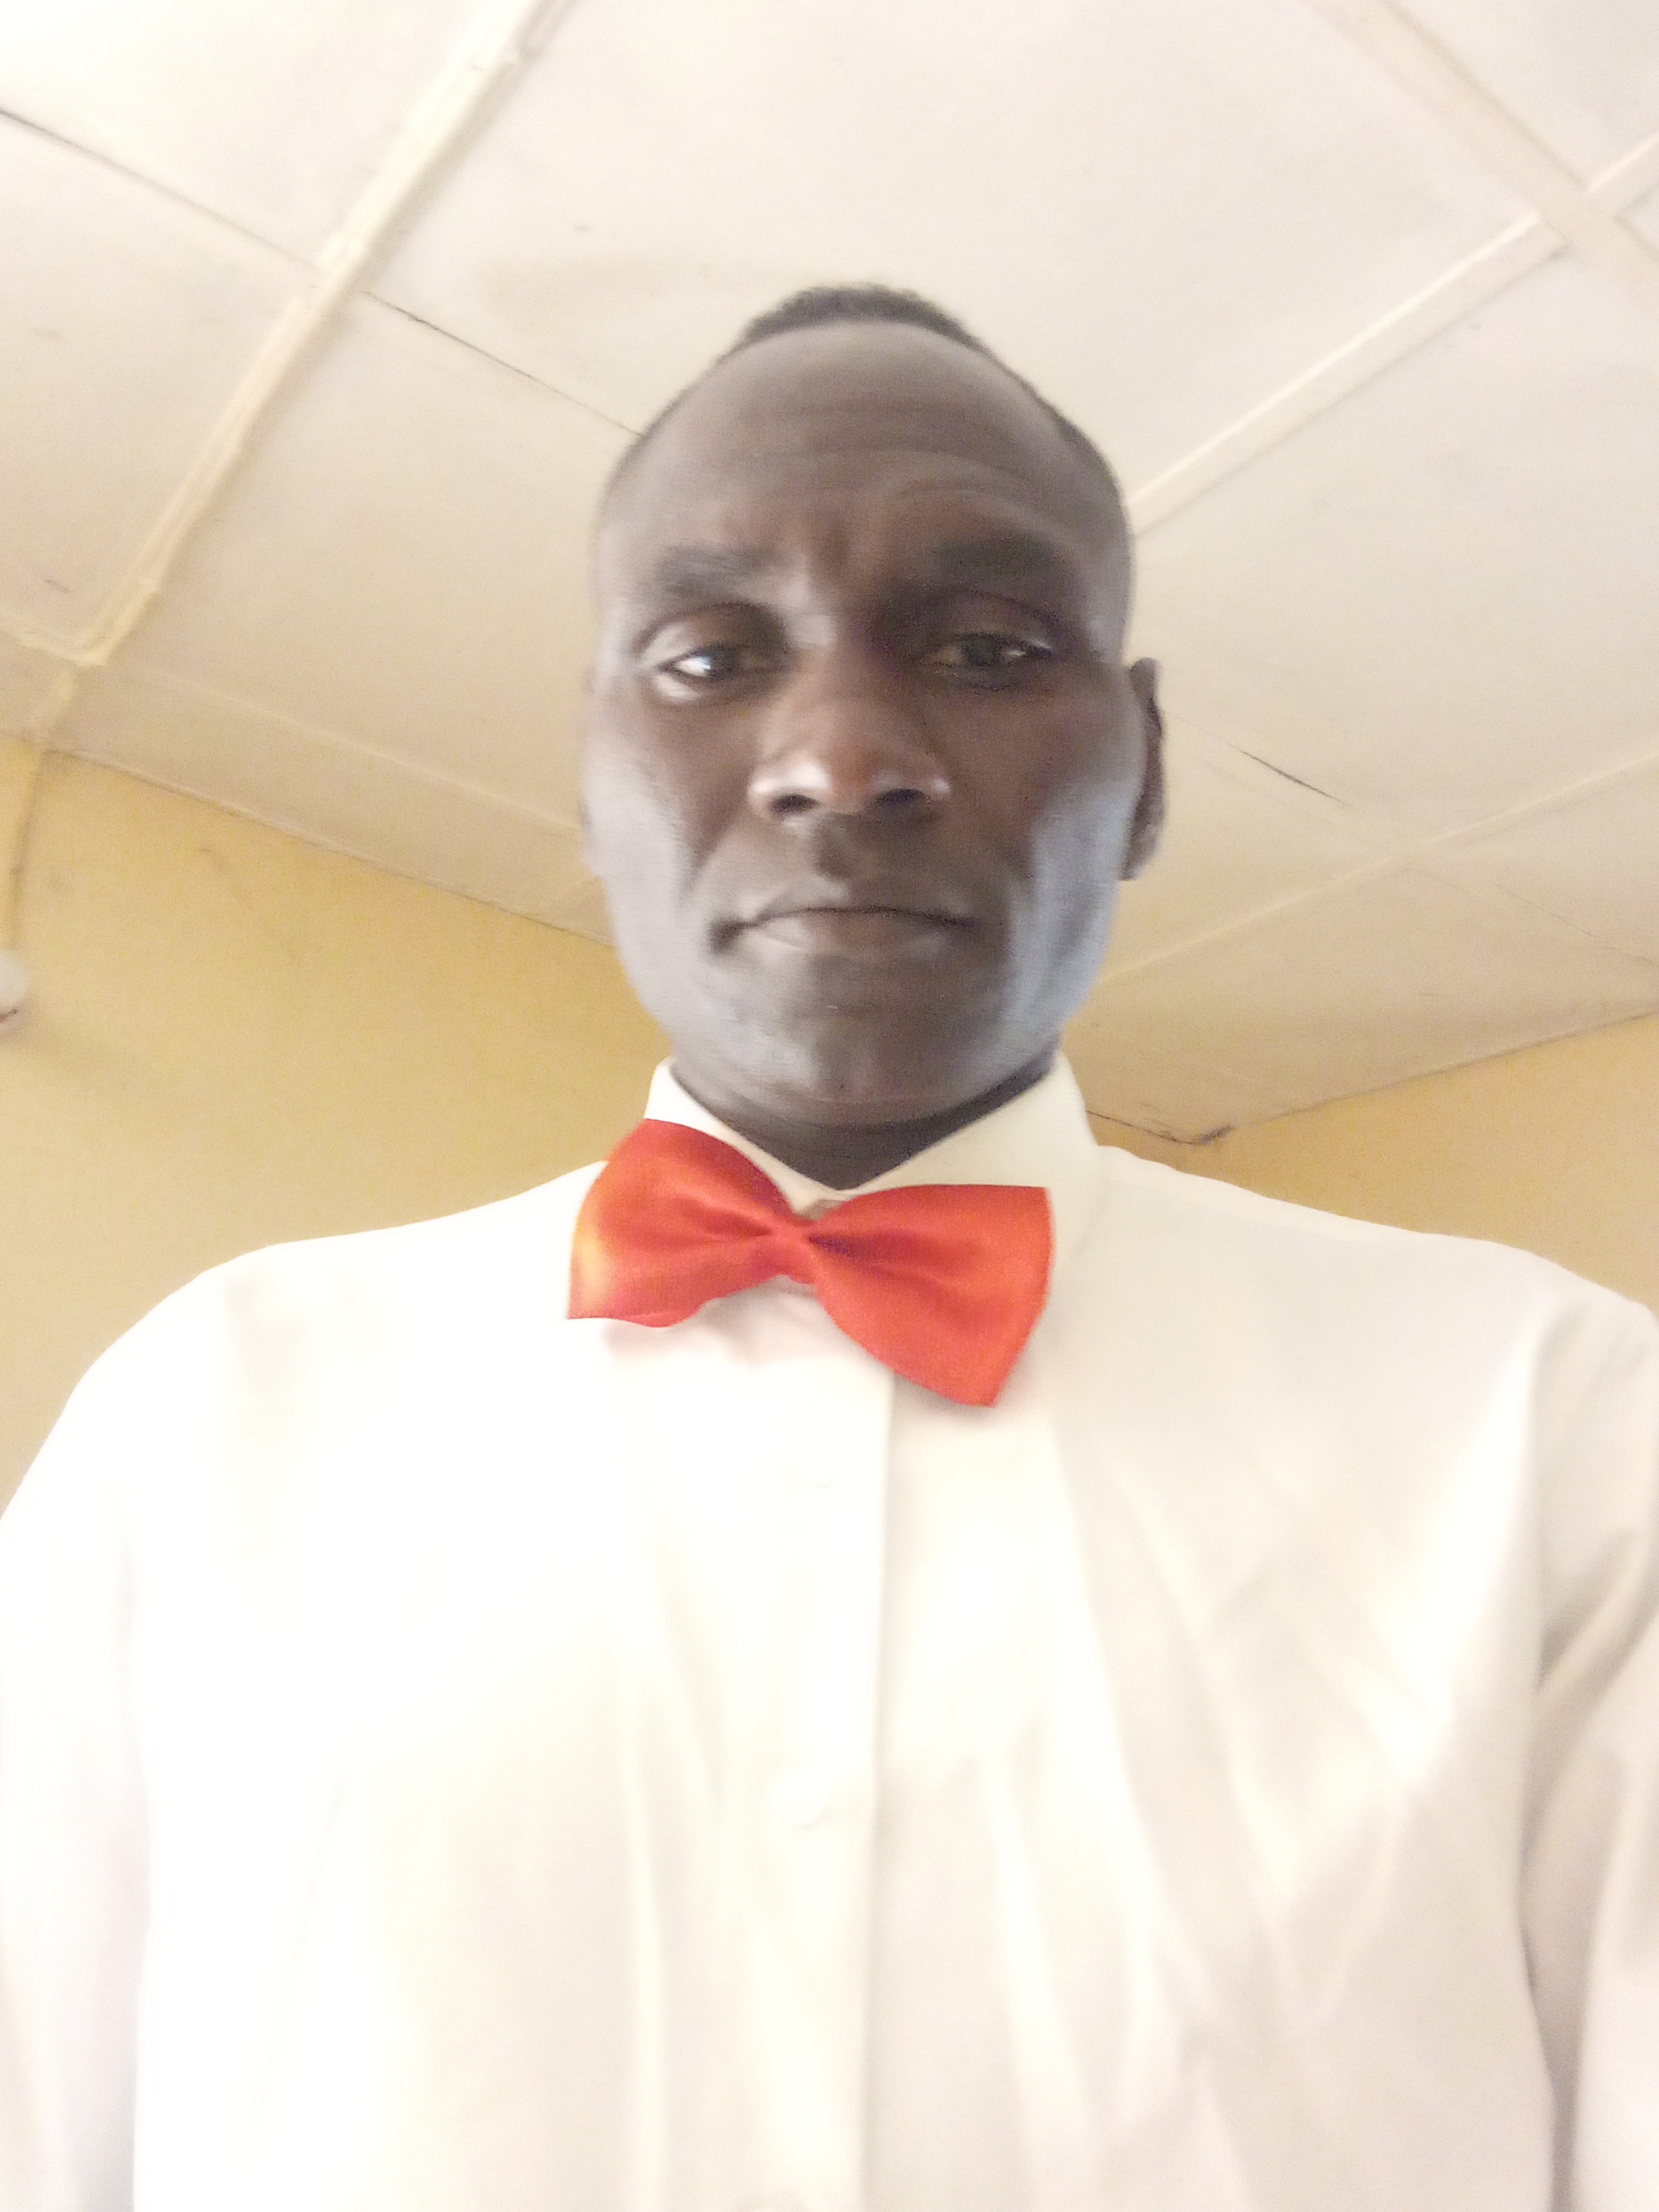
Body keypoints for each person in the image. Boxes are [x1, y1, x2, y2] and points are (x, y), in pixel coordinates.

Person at [1, 285, 1656, 2212]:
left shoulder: (1562, 1434)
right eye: (712, 658)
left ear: (1142, 771)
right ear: (589, 772)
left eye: (986, 646)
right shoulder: (207, 1418)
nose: (844, 757)